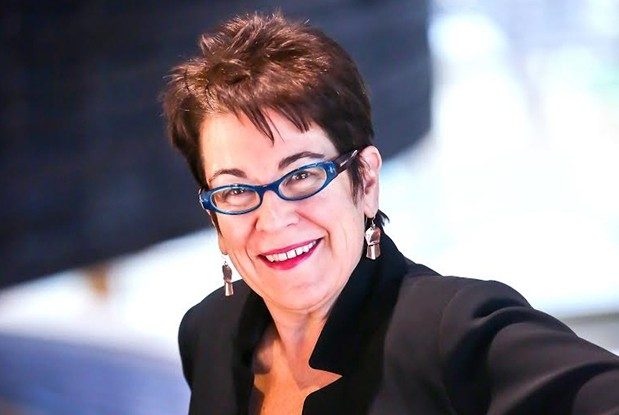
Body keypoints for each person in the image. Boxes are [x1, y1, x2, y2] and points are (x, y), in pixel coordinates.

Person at [161, 12, 619, 415]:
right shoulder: (208, 335)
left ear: (365, 180)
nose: (275, 218)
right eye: (237, 189)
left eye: (301, 175)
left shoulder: (453, 332)